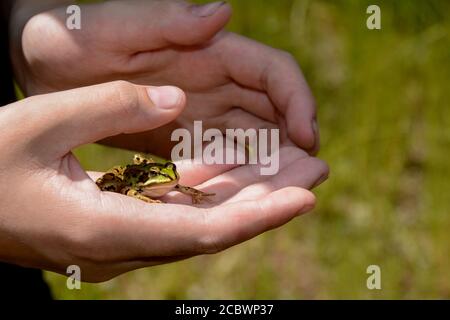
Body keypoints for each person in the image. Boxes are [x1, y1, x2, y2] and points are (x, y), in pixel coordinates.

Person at [0, 0, 329, 298]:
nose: (169, 177)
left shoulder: (169, 179)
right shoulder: (137, 185)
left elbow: (174, 181)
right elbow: (134, 191)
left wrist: (26, 24)